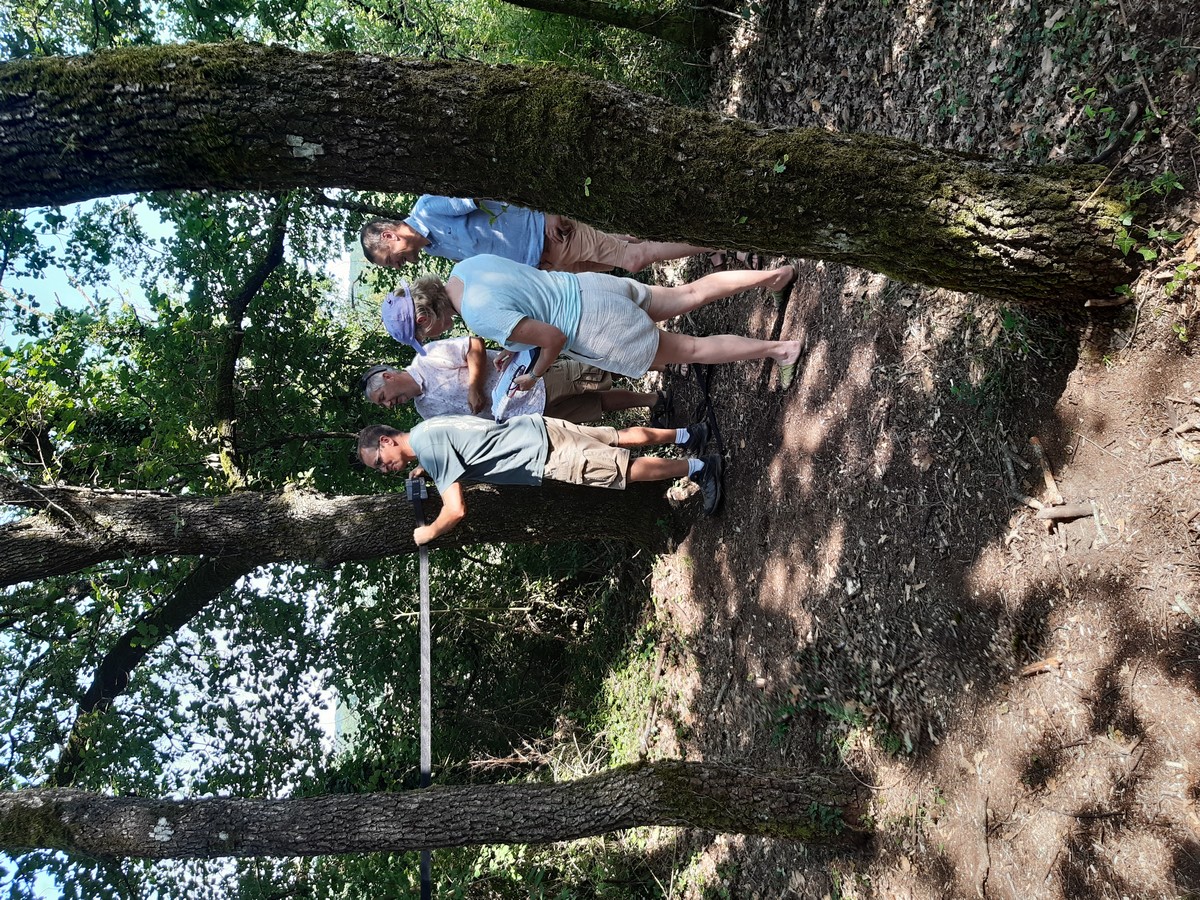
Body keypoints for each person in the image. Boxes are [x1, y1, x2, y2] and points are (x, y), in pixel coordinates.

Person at [387, 254, 803, 389]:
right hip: (591, 289)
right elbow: (531, 300)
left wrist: (533, 374)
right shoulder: (466, 268)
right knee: (689, 293)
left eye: (422, 333)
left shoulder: (477, 315)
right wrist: (515, 349)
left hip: (597, 326)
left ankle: (780, 349)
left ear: (425, 317)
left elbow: (553, 336)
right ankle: (774, 276)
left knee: (690, 349)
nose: (431, 337)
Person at [357, 416, 723, 544]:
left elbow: (455, 511)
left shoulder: (430, 450)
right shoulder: (425, 432)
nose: (384, 468)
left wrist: (428, 533)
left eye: (379, 461)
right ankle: (688, 434)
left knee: (621, 470)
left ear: (386, 441)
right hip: (539, 428)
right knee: (614, 436)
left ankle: (700, 468)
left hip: (543, 455)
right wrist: (427, 469)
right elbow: (463, 450)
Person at [359, 195, 710, 274]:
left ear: (390, 235)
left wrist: (548, 211)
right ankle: (711, 242)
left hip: (550, 232)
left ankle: (717, 241)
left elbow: (492, 187)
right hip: (545, 264)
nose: (401, 264)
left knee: (633, 258)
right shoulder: (432, 248)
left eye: (394, 259)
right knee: (629, 242)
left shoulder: (429, 207)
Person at [360, 338, 669, 425]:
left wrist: (474, 387)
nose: (388, 405)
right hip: (525, 416)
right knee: (594, 405)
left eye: (383, 398)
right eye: (383, 405)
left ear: (388, 377)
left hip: (531, 379)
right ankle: (654, 400)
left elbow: (474, 346)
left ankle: (668, 360)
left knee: (597, 373)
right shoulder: (423, 411)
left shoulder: (427, 357)